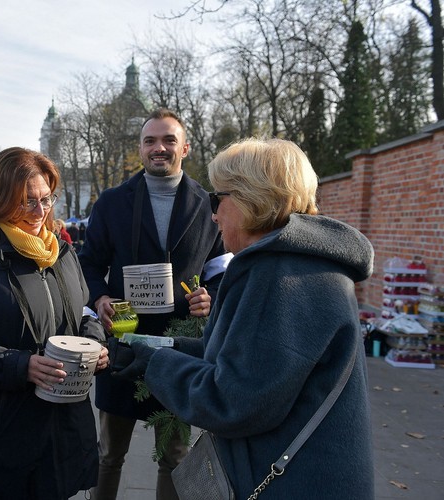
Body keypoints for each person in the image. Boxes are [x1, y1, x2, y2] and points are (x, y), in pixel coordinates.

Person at [114, 137, 375, 498]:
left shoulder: (279, 277)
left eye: (218, 199)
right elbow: (238, 355)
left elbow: (232, 400)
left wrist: (156, 364)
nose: (213, 214)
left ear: (253, 198)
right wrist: (157, 347)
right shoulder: (299, 263)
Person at [0, 147, 110, 499]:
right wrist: (21, 365)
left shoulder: (61, 253)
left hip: (60, 430)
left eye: (46, 200)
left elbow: (83, 311)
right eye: (27, 202)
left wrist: (95, 343)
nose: (40, 212)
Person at [78, 108, 230, 499]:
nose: (158, 148)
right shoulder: (111, 203)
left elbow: (220, 265)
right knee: (109, 453)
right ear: (141, 148)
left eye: (168, 140)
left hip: (183, 348)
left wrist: (210, 296)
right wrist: (99, 297)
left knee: (175, 456)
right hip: (123, 343)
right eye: (150, 141)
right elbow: (90, 263)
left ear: (185, 148)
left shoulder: (209, 205)